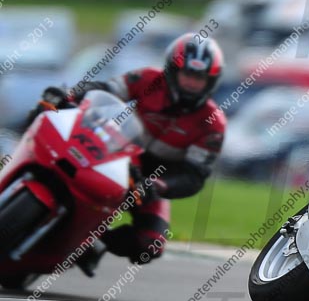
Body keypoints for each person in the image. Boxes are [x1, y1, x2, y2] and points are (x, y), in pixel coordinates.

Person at [30, 34, 227, 276]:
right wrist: (68, 97)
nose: (191, 83)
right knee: (50, 136)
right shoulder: (146, 79)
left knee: (151, 243)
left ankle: (93, 242)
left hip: (151, 179)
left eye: (199, 78)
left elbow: (194, 175)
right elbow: (104, 89)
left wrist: (160, 185)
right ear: (171, 70)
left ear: (211, 81)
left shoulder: (213, 124)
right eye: (187, 74)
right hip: (113, 150)